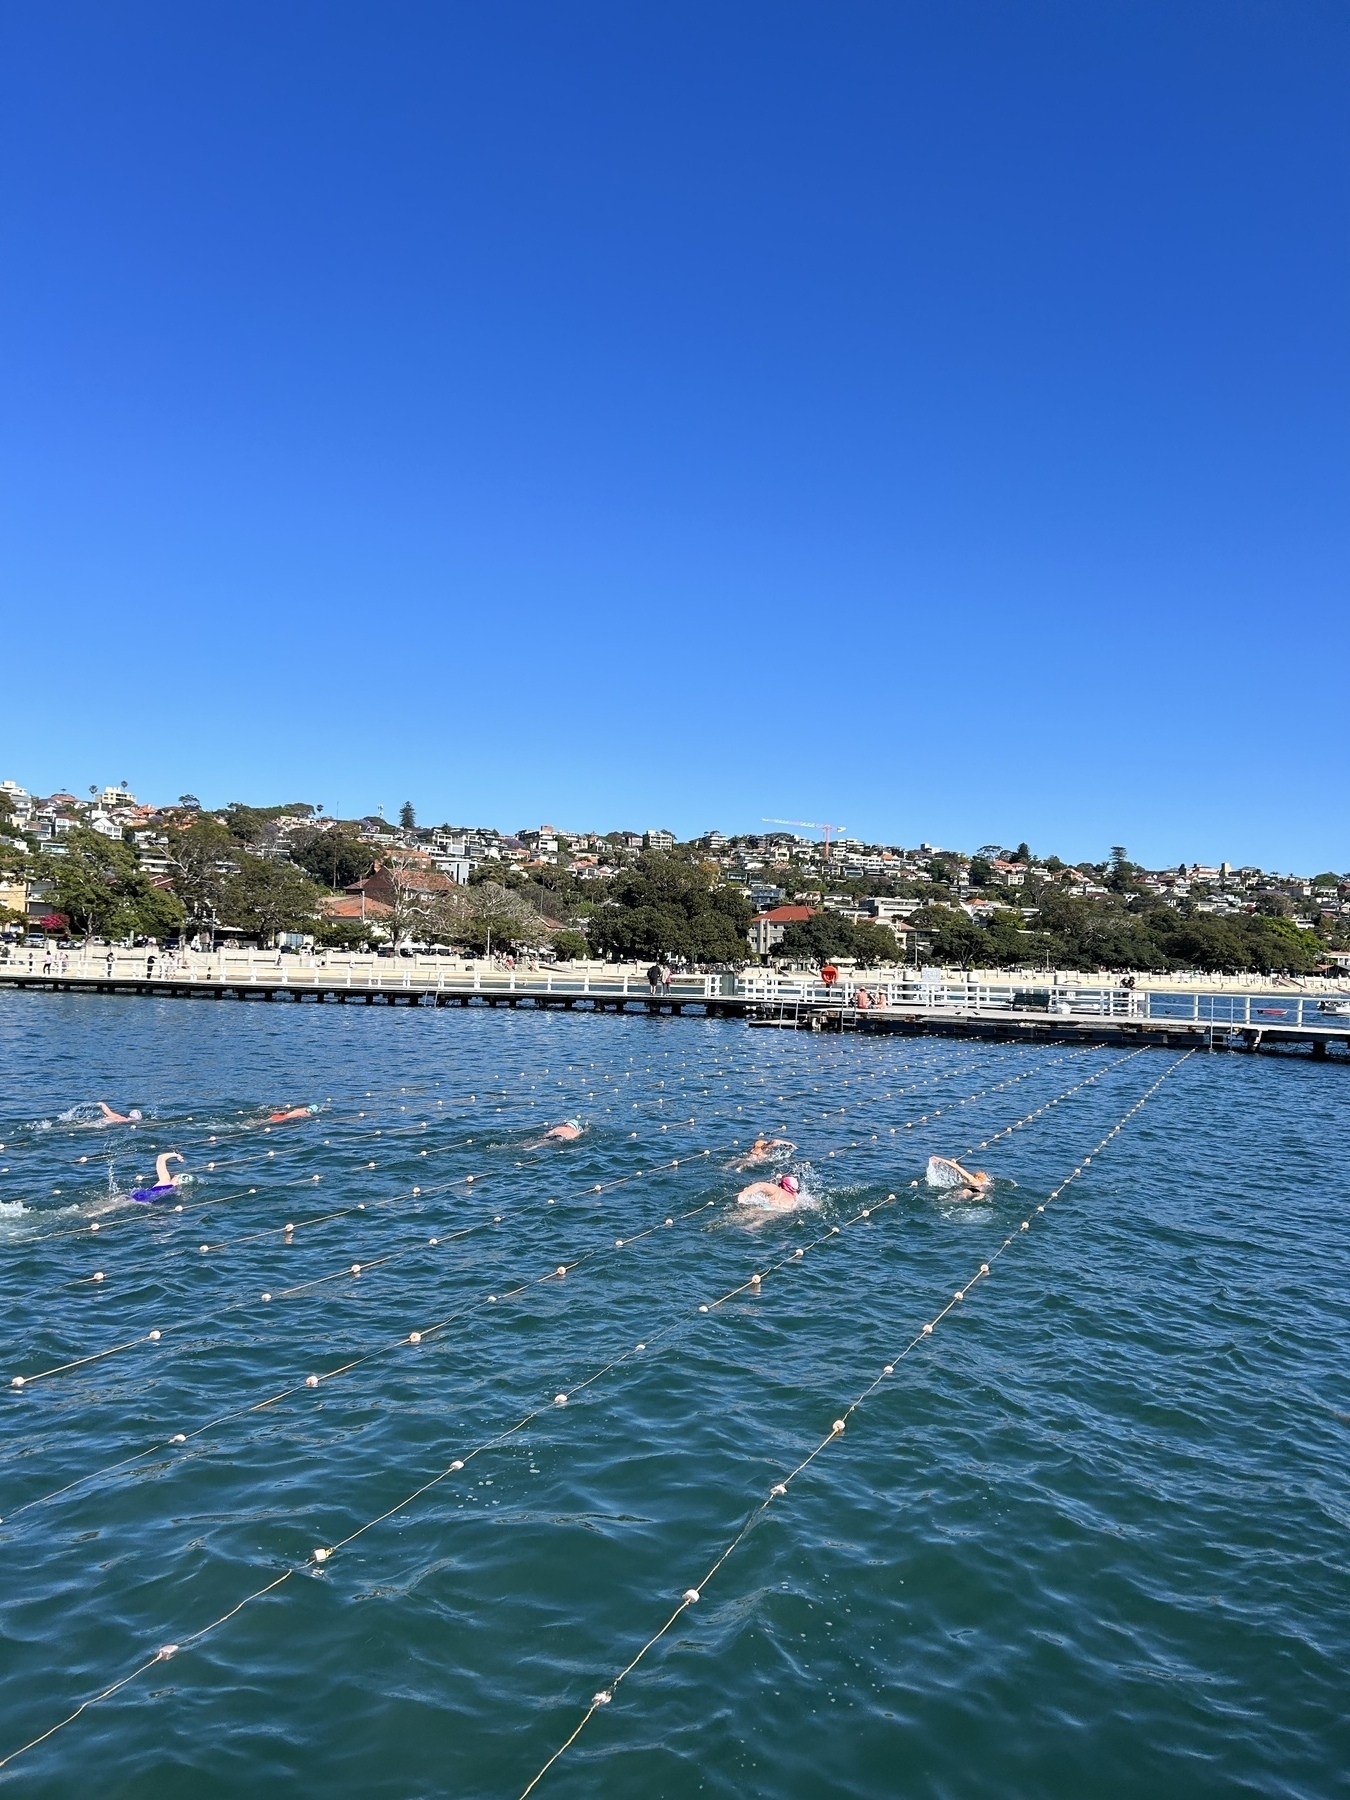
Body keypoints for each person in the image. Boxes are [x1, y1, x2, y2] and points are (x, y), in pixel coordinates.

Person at [925, 1155, 992, 1200]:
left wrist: (941, 1159)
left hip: (970, 1191)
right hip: (978, 1191)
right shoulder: (985, 1183)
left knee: (953, 1198)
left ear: (976, 1176)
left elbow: (958, 1168)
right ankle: (980, 1196)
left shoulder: (972, 1179)